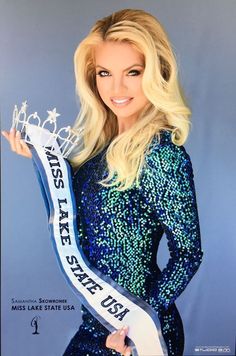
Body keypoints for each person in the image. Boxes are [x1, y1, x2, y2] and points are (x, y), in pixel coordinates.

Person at [2, 8, 204, 356]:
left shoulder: (161, 155)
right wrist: (43, 159)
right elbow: (88, 211)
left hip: (134, 332)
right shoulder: (104, 149)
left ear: (157, 74)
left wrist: (138, 327)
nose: (117, 88)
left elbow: (188, 254)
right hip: (97, 321)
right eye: (104, 73)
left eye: (133, 72)